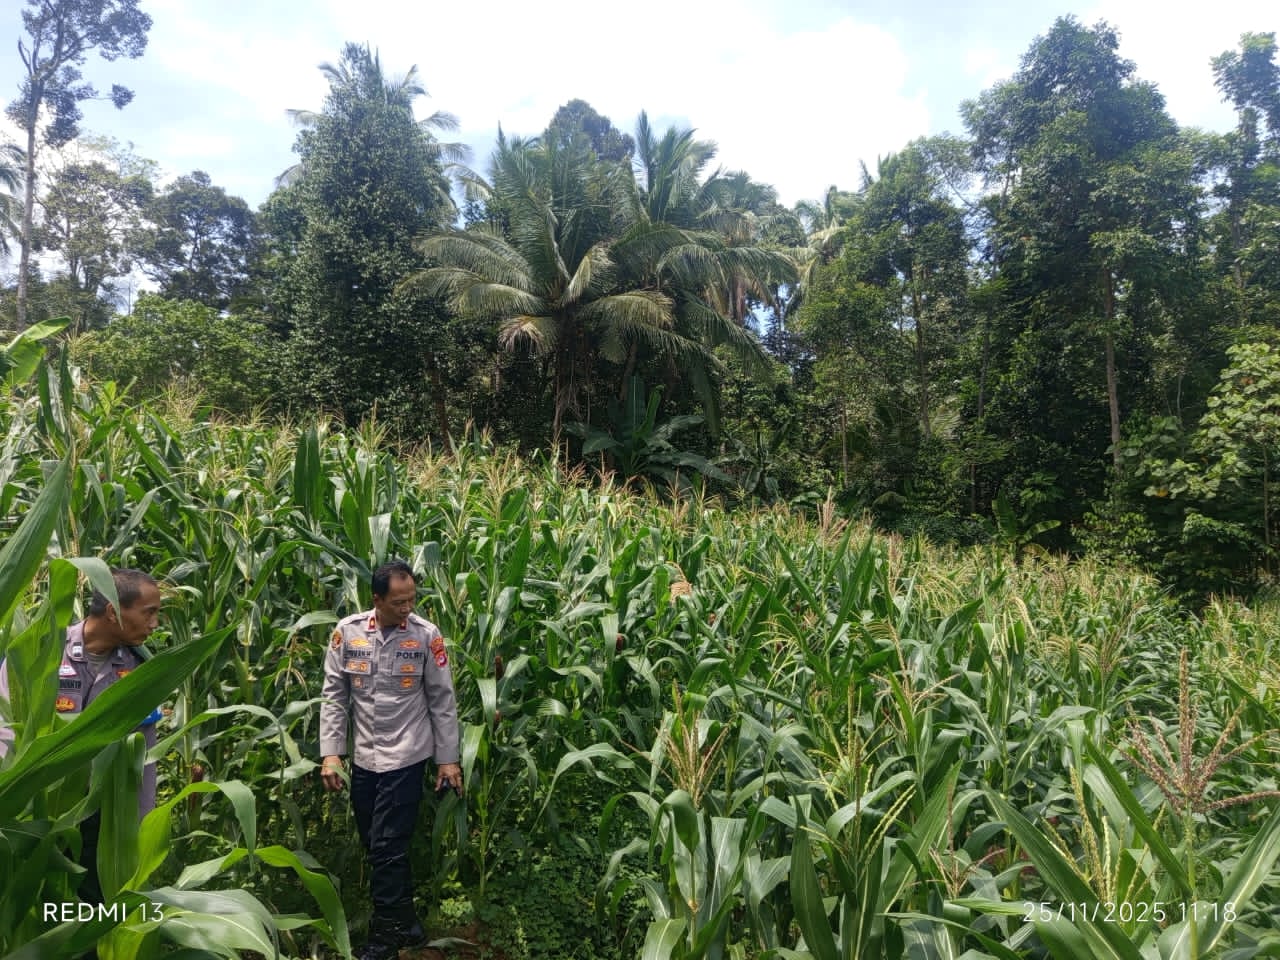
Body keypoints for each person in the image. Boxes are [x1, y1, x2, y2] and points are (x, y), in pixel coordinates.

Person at [320, 560, 462, 960]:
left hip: (406, 754)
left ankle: (385, 937)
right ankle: (409, 923)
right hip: (365, 757)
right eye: (399, 602)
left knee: (386, 845)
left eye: (411, 600)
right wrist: (331, 753)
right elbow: (334, 695)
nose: (407, 608)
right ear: (377, 599)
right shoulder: (347, 632)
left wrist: (448, 760)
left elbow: (442, 700)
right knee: (378, 845)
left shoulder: (426, 635)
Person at [0, 567, 163, 904]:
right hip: (34, 813)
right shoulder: (40, 648)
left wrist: (141, 827)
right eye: (149, 613)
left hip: (99, 820)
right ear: (113, 612)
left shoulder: (141, 670)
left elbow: (144, 755)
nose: (155, 624)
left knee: (92, 910)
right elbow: (6, 725)